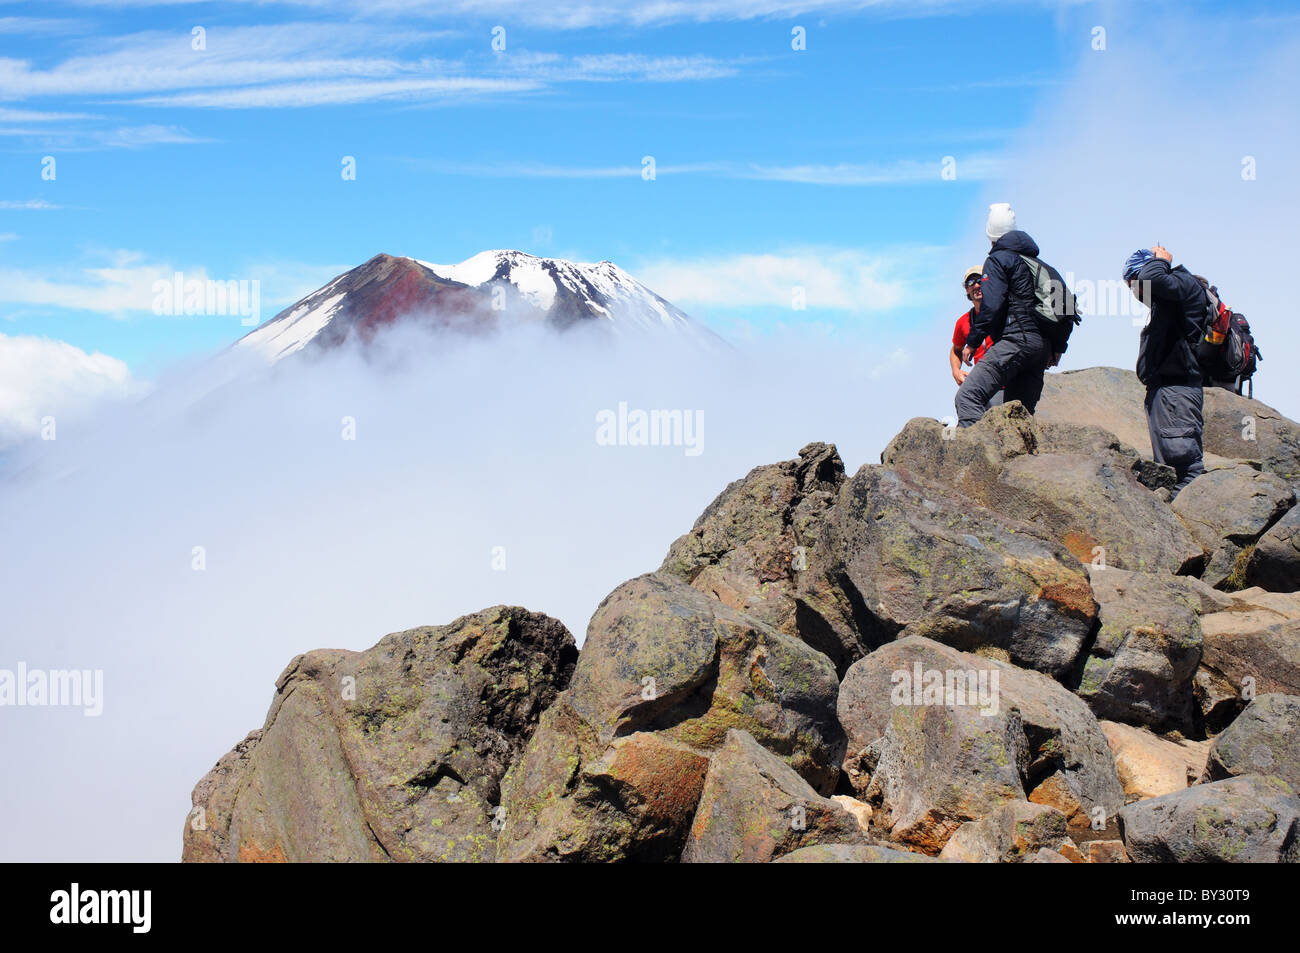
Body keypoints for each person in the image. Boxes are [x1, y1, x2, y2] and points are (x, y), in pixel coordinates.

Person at [954, 203, 1061, 427]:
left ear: (990, 235)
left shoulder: (996, 260)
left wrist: (972, 342)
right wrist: (1057, 348)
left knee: (967, 397)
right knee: (1017, 417)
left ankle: (978, 456)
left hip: (1016, 340)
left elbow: (992, 306)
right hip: (1041, 349)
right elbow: (1065, 304)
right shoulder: (1038, 263)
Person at [1125, 245, 1206, 497]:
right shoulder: (1171, 298)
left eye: (1133, 284)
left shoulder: (1182, 284)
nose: (1135, 292)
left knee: (1183, 468)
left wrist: (1161, 260)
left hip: (1175, 394)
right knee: (1170, 469)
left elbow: (1152, 278)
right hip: (1169, 394)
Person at [950, 266, 1003, 409]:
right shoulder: (963, 322)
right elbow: (956, 350)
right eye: (971, 283)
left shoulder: (1005, 310)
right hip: (985, 385)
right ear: (966, 289)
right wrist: (956, 371)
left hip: (1010, 379)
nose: (976, 285)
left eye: (980, 280)